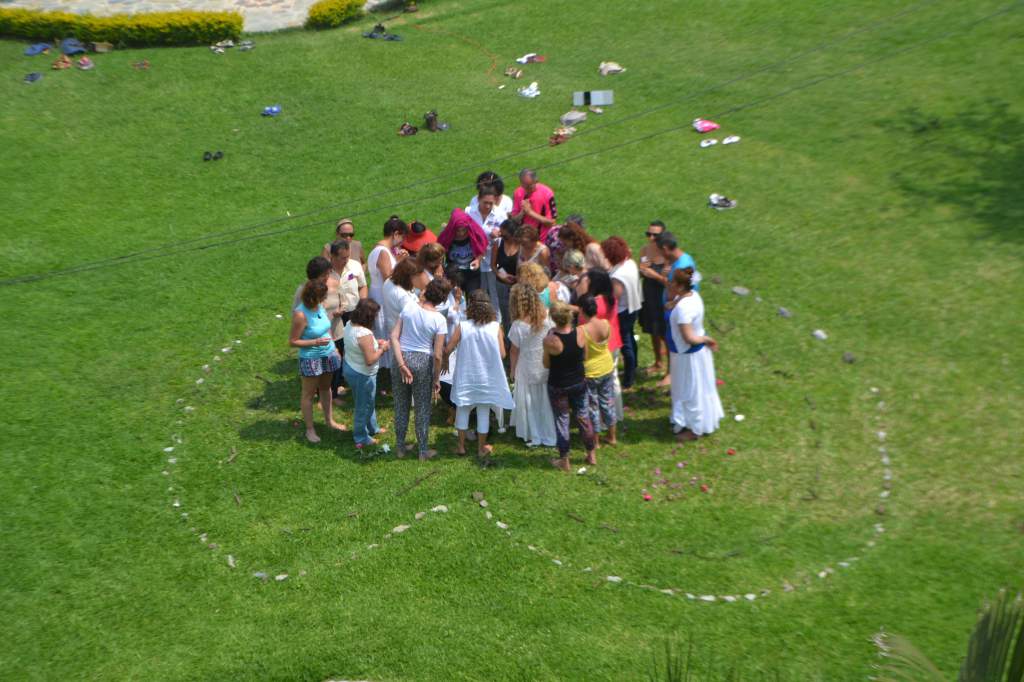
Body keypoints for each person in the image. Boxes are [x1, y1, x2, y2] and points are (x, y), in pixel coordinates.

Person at [444, 291, 514, 461]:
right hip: (486, 378)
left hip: (466, 376)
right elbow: (503, 354)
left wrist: (445, 360)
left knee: (463, 409)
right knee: (483, 411)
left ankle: (461, 446)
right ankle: (481, 448)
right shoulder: (496, 327)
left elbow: (449, 348)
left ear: (471, 307)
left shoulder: (463, 326)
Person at [390, 278, 451, 460]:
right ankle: (423, 450)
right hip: (422, 362)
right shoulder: (439, 319)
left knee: (401, 404)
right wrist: (436, 379)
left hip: (401, 358)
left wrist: (401, 364)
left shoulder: (409, 307)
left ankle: (400, 448)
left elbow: (394, 337)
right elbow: (438, 355)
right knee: (422, 408)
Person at [667, 269, 723, 439]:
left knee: (690, 391)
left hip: (687, 356)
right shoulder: (692, 296)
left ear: (679, 285)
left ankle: (694, 429)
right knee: (686, 388)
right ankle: (684, 420)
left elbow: (689, 338)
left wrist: (706, 339)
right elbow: (677, 305)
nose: (670, 284)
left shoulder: (684, 308)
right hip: (685, 354)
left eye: (673, 281)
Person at [289, 279, 346, 443]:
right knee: (308, 394)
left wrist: (334, 348)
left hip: (327, 354)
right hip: (311, 358)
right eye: (323, 297)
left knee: (325, 388)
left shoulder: (319, 306)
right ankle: (310, 429)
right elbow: (293, 341)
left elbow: (326, 327)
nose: (325, 299)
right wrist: (314, 342)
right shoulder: (300, 314)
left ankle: (329, 421)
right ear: (313, 298)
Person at [543, 301, 597, 470]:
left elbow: (546, 364)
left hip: (558, 384)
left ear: (553, 318)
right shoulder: (581, 332)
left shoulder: (550, 340)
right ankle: (591, 454)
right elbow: (585, 356)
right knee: (583, 417)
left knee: (562, 420)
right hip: (579, 382)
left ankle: (564, 460)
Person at [507, 283, 557, 448]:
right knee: (544, 400)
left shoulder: (518, 326)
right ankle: (547, 429)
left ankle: (531, 430)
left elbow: (514, 351)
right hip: (545, 365)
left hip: (526, 366)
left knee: (529, 401)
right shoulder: (548, 318)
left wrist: (512, 371)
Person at [577, 268, 624, 428]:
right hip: (613, 340)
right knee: (613, 380)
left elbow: (583, 321)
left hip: (597, 346)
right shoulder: (611, 299)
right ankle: (615, 414)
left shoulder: (595, 302)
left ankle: (601, 422)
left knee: (595, 393)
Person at [342, 299, 390, 448]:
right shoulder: (364, 334)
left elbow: (362, 346)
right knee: (363, 406)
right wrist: (382, 349)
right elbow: (370, 359)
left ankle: (372, 428)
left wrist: (375, 343)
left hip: (351, 367)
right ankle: (361, 437)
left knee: (367, 401)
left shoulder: (350, 324)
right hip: (363, 374)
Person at [326, 240, 368, 401]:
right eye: (342, 258)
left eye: (347, 256)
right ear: (333, 257)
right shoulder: (326, 272)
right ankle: (332, 390)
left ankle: (346, 380)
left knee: (353, 347)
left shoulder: (355, 266)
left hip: (354, 312)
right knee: (337, 350)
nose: (346, 260)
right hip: (334, 317)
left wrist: (362, 305)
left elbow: (362, 286)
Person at [368, 216, 409, 368]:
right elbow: (388, 277)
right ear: (395, 233)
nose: (402, 241)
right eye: (402, 236)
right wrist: (399, 262)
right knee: (386, 330)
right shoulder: (383, 252)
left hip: (380, 294)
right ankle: (388, 366)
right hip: (382, 297)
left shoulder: (380, 249)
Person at [602, 236, 642, 389]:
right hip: (633, 306)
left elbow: (614, 297)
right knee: (630, 338)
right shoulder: (630, 263)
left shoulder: (618, 275)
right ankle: (634, 366)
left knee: (625, 344)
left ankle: (629, 378)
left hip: (623, 311)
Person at [579, 295, 617, 447]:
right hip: (607, 366)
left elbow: (585, 355)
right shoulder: (605, 323)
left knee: (592, 406)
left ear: (582, 311)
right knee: (607, 402)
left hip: (590, 372)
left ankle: (595, 441)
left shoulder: (582, 330)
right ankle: (612, 436)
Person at [466, 184, 508, 322]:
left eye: (491, 203)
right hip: (474, 257)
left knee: (494, 290)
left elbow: (507, 233)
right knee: (479, 288)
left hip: (493, 258)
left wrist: (500, 234)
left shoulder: (500, 214)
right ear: (478, 199)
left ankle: (497, 320)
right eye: (485, 203)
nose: (488, 206)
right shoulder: (469, 212)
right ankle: (479, 316)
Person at [382, 259, 428, 369]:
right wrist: (422, 300)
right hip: (405, 334)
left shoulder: (389, 281)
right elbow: (416, 316)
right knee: (406, 364)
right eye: (419, 275)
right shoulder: (402, 296)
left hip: (394, 325)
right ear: (410, 277)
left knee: (397, 358)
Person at [637, 220, 669, 379]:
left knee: (664, 334)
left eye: (655, 235)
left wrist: (652, 273)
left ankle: (671, 371)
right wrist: (644, 271)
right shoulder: (644, 250)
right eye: (648, 234)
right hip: (648, 295)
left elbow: (667, 280)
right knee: (652, 331)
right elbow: (642, 270)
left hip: (662, 297)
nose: (651, 238)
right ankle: (658, 362)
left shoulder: (667, 254)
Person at [437, 208, 488, 295]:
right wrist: (440, 267)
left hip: (472, 273)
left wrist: (478, 260)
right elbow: (439, 251)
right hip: (454, 273)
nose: (461, 233)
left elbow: (482, 248)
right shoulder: (447, 235)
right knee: (456, 299)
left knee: (474, 296)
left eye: (464, 230)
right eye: (458, 230)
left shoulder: (474, 233)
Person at [512, 168, 557, 239]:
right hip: (523, 241)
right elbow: (514, 220)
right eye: (524, 186)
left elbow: (552, 223)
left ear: (536, 181)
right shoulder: (518, 193)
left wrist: (530, 212)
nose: (527, 190)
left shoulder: (547, 193)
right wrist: (522, 212)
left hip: (542, 241)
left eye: (530, 186)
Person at [492, 219, 520, 334]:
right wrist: (501, 276)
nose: (502, 237)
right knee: (506, 315)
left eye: (506, 236)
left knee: (517, 315)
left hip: (517, 286)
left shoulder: (521, 245)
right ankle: (508, 343)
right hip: (502, 285)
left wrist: (517, 278)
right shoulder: (498, 242)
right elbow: (493, 265)